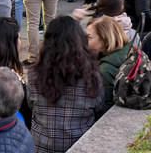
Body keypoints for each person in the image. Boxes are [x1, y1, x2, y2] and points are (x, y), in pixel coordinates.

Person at [28, 16, 103, 152]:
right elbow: (98, 106)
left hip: (41, 146)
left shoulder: (34, 74)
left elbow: (30, 104)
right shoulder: (92, 75)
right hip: (79, 145)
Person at [86, 16, 131, 112]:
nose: (85, 42)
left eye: (89, 38)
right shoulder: (129, 49)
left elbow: (104, 107)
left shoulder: (104, 70)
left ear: (105, 39)